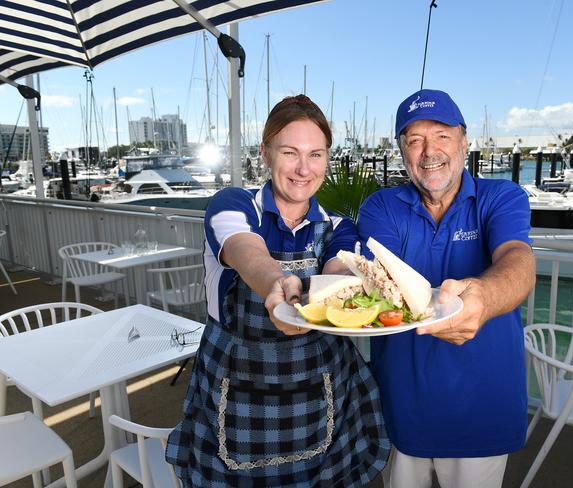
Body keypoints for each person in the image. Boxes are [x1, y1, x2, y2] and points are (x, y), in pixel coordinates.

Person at [166, 95, 390, 487]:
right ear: (266, 153)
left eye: (316, 154)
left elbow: (339, 266)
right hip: (238, 394)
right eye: (290, 152)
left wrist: (340, 286)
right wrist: (275, 283)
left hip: (321, 392)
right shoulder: (232, 205)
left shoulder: (339, 226)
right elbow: (243, 248)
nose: (304, 168)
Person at [356, 89, 536, 488]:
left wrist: (484, 298)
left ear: (464, 140)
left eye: (440, 135)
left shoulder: (502, 196)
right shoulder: (381, 207)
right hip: (401, 408)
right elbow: (385, 281)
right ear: (402, 150)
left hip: (483, 408)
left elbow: (518, 261)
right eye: (414, 139)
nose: (428, 151)